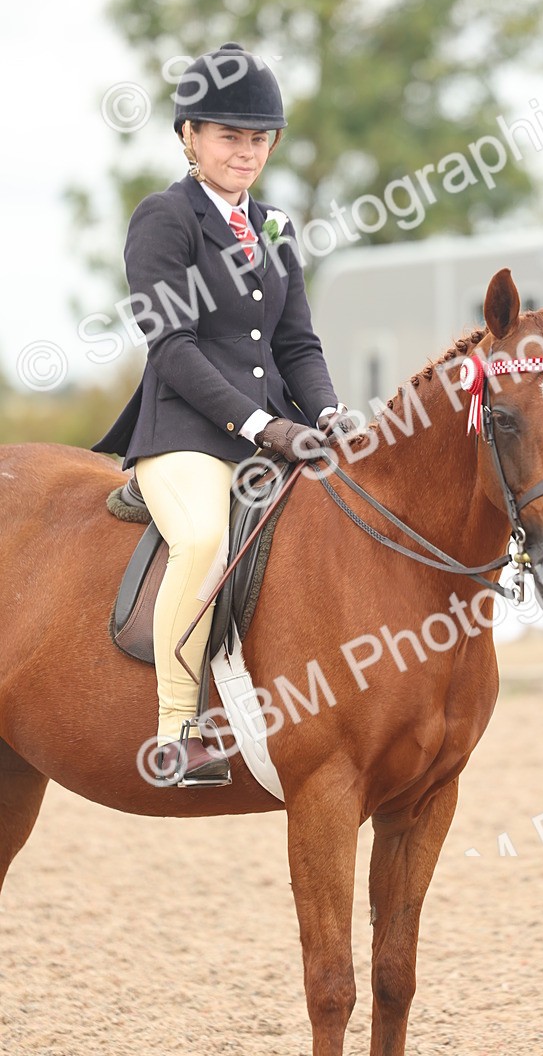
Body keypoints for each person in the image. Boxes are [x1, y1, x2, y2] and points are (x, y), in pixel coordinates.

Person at [93, 41, 355, 788]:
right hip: (185, 433)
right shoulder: (164, 219)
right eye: (229, 136)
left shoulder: (274, 227)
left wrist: (328, 411)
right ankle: (178, 729)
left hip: (276, 426)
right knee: (205, 540)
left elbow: (296, 343)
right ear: (190, 137)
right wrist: (262, 426)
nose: (246, 152)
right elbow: (172, 347)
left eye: (259, 138)